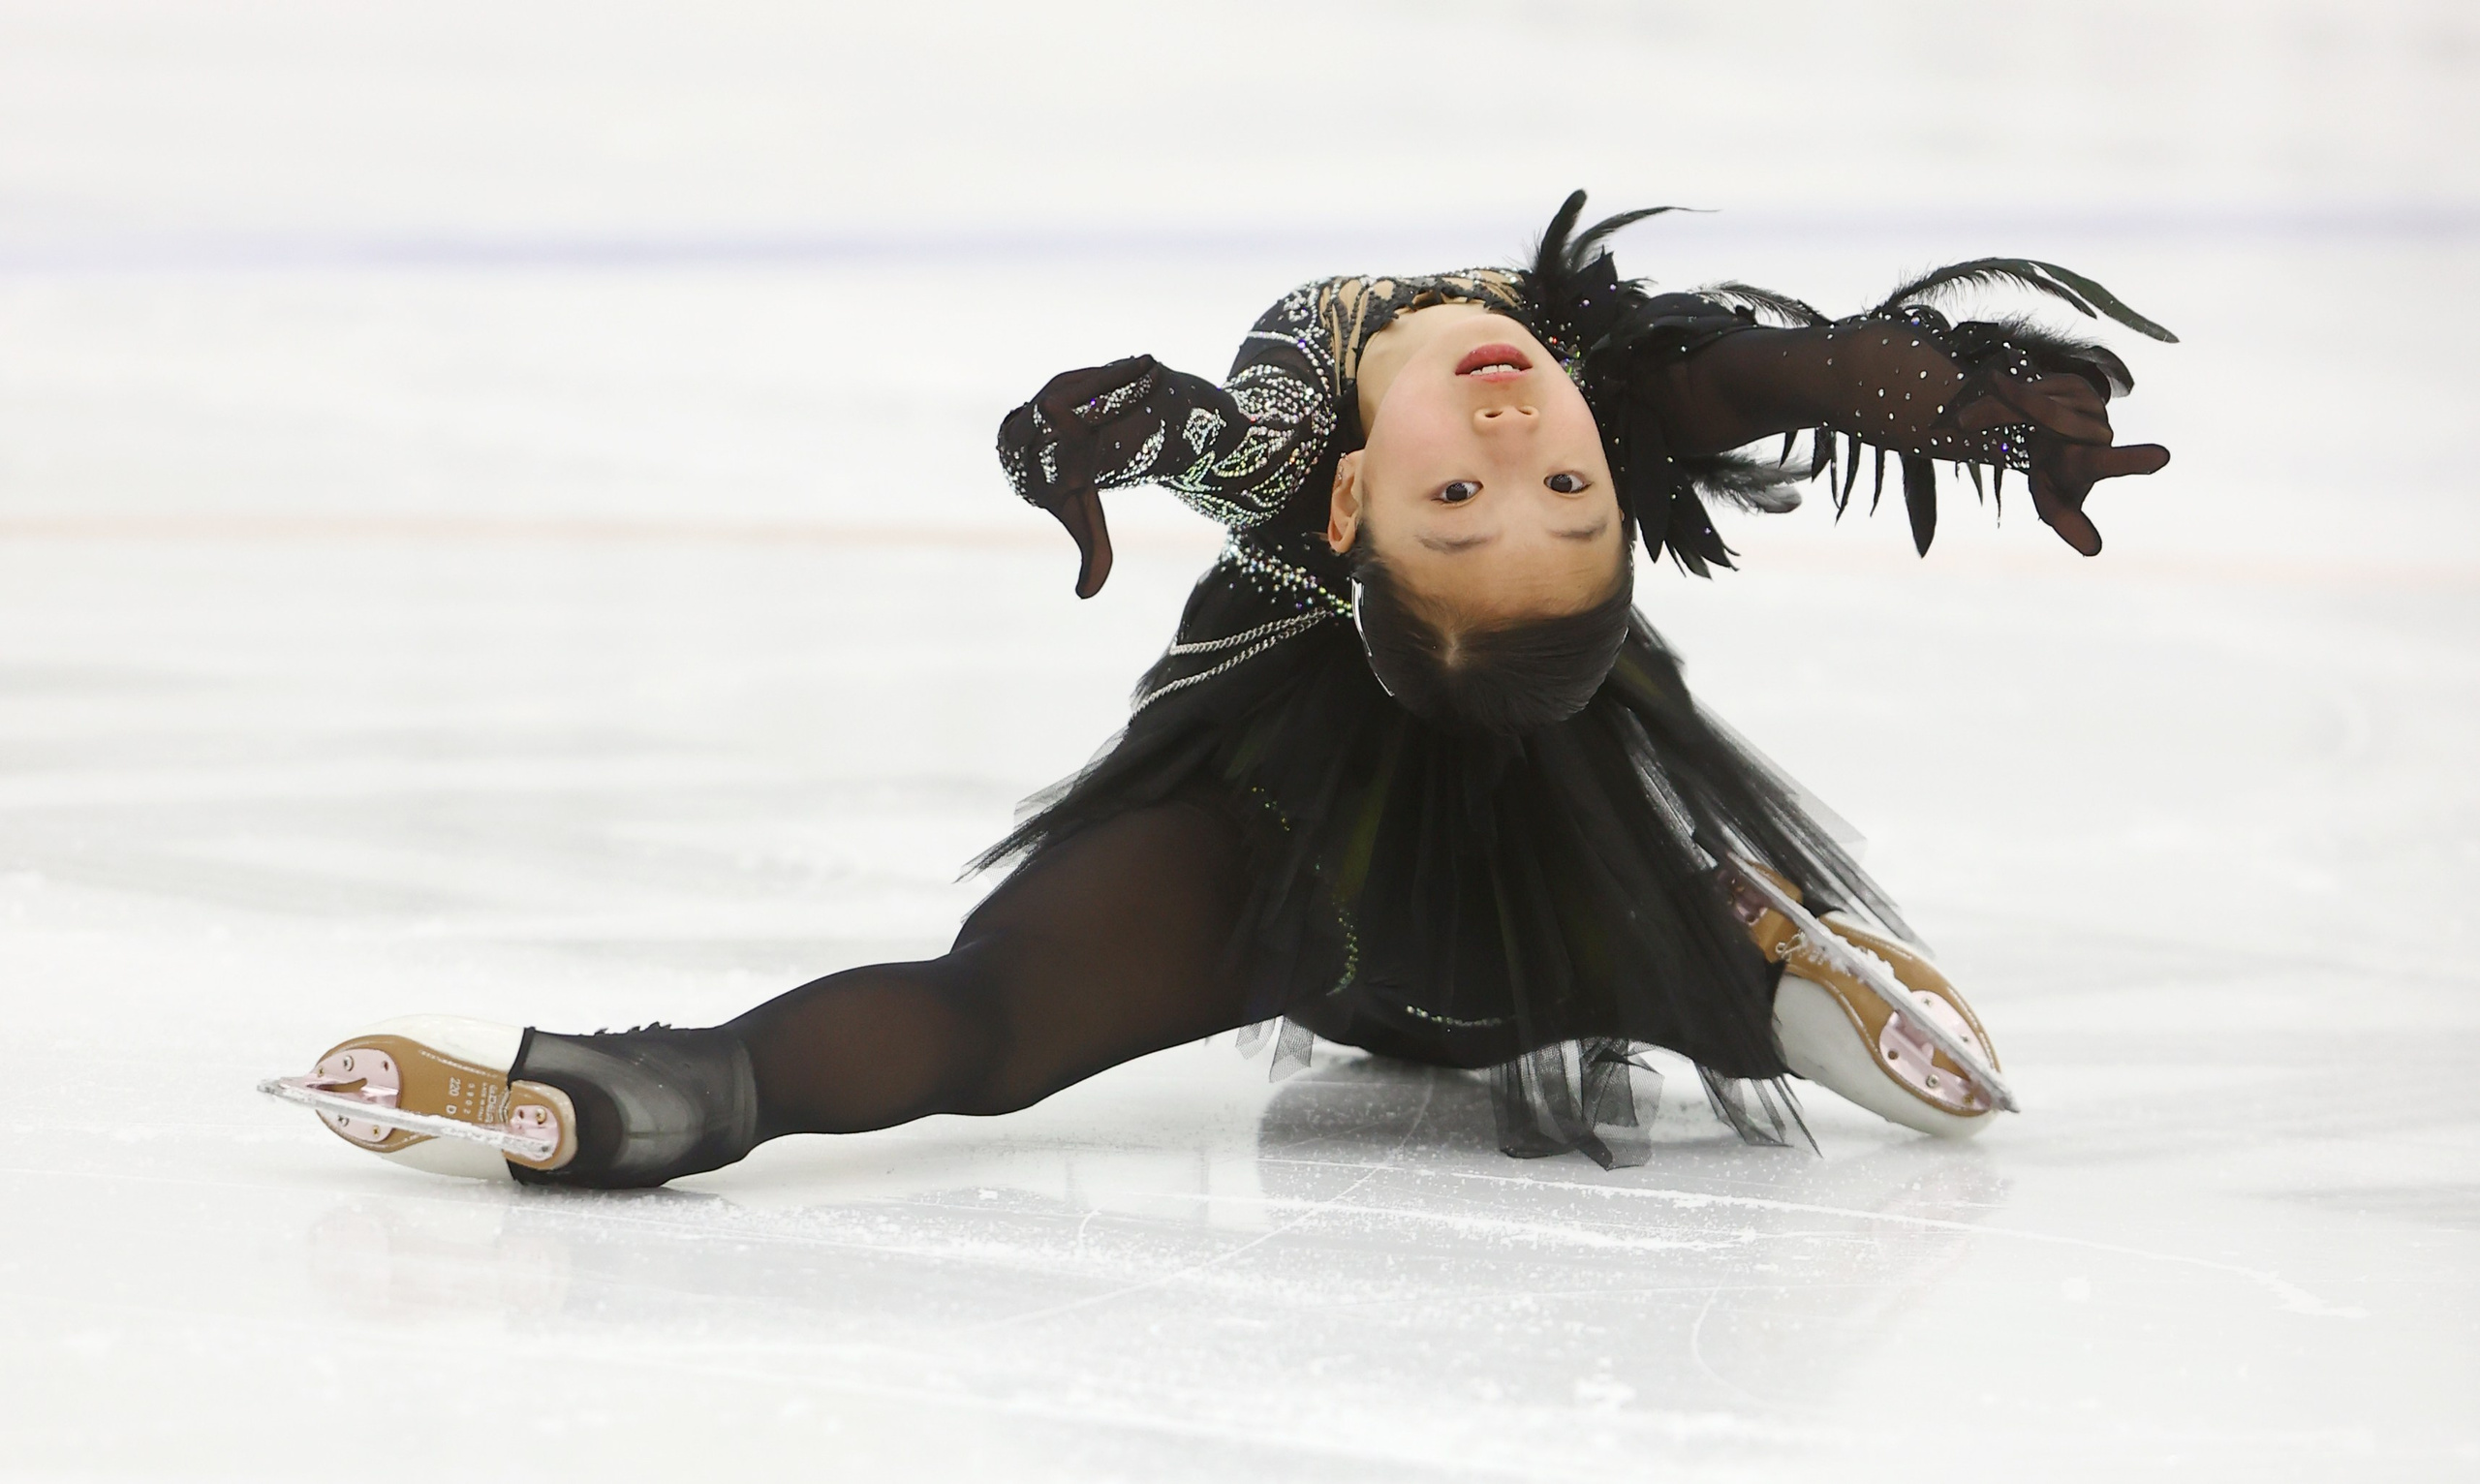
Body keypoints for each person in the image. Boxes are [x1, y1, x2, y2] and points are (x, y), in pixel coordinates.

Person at [263, 192, 2173, 1187]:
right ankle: (1736, 965)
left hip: (1373, 809)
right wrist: (1936, 389)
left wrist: (1149, 424)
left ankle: (1752, 968)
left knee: (1246, 990)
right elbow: (1794, 378)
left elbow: (1247, 445)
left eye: (1497, 492)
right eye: (1538, 488)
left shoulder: (1365, 439)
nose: (1517, 433)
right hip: (1405, 806)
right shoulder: (1533, 379)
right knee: (1316, 998)